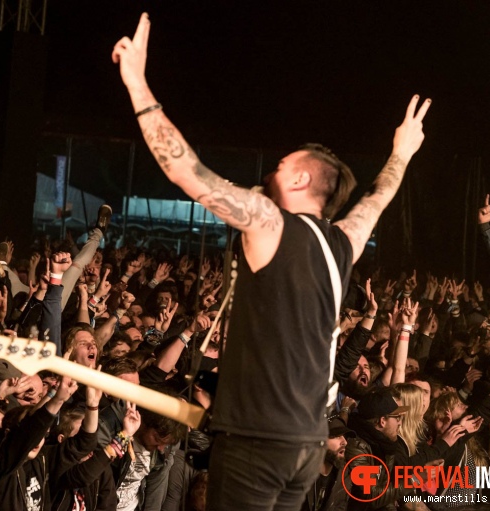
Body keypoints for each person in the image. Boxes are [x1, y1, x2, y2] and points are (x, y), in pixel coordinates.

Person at [112, 12, 430, 510]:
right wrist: (402, 154)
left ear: (302, 181)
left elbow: (186, 171)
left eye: (283, 165)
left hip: (259, 440)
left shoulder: (269, 221)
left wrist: (136, 82)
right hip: (306, 444)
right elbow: (378, 197)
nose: (272, 170)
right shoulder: (343, 240)